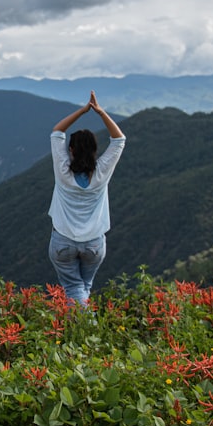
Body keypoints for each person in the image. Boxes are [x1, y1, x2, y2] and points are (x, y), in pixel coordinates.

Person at [48, 90, 126, 306]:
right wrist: (100, 113)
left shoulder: (63, 171)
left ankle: (88, 330)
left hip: (63, 239)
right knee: (83, 287)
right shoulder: (101, 172)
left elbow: (57, 132)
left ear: (70, 151)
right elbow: (119, 139)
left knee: (73, 288)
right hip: (94, 243)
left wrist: (83, 111)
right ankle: (81, 328)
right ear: (95, 150)